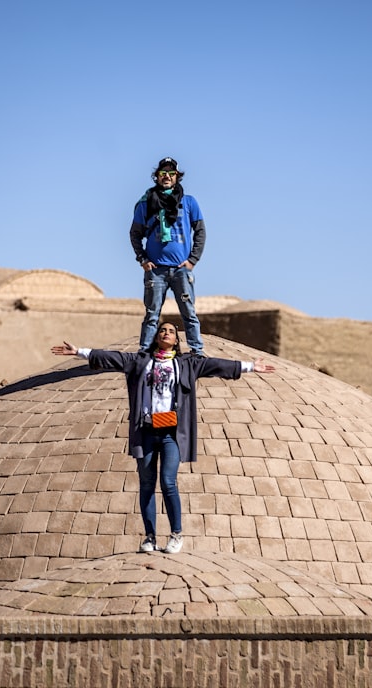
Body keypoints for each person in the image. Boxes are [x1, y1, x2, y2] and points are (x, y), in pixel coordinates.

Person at [51, 322, 275, 554]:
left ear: (177, 341)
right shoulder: (140, 362)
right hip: (146, 431)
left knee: (168, 481)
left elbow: (215, 365)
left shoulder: (187, 364)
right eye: (162, 330)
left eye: (171, 332)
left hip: (171, 433)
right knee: (147, 484)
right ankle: (149, 537)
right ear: (156, 337)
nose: (166, 333)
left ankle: (176, 534)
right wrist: (79, 352)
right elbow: (112, 358)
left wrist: (249, 366)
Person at [129, 157, 207, 357]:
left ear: (177, 177)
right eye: (163, 173)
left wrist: (192, 260)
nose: (167, 177)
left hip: (181, 269)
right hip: (156, 271)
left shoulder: (188, 202)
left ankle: (197, 351)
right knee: (152, 315)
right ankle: (145, 351)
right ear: (156, 176)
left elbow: (200, 231)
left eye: (171, 174)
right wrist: (142, 259)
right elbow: (135, 233)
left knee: (188, 312)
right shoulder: (146, 204)